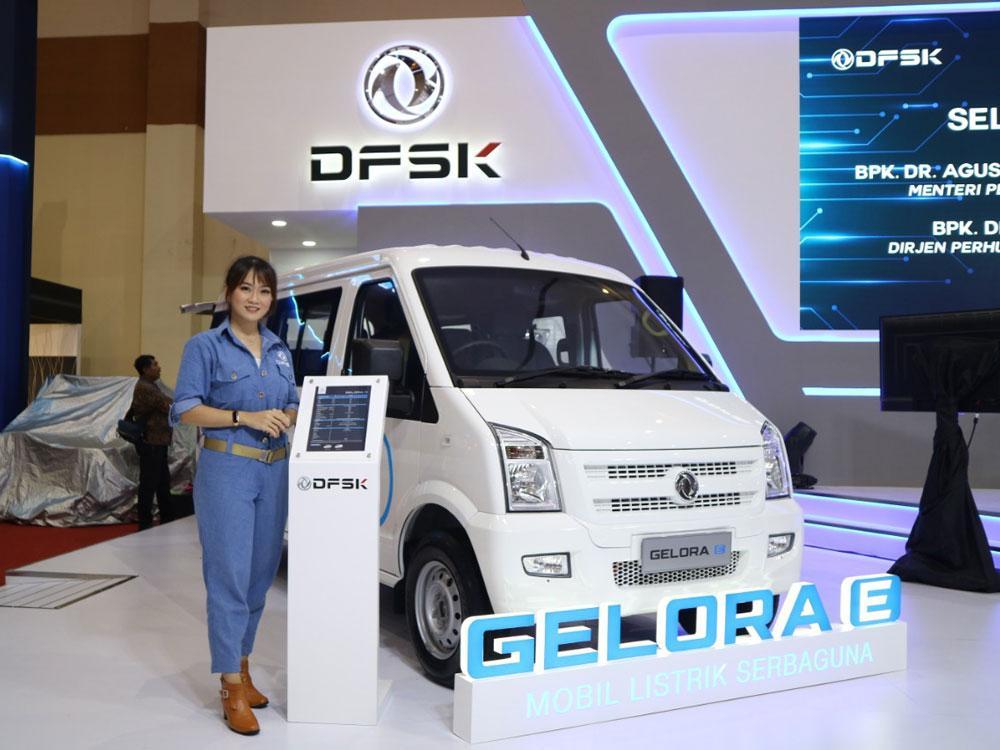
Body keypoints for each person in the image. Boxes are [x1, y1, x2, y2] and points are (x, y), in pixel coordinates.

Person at [169, 256, 298, 736]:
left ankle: (242, 667)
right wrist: (244, 418)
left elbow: (292, 401)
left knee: (260, 577)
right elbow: (185, 409)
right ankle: (228, 684)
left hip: (275, 470)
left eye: (264, 291)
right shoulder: (204, 346)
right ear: (229, 293)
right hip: (227, 469)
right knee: (229, 576)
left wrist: (287, 415)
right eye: (246, 288)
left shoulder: (279, 349)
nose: (254, 298)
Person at [129, 354, 176, 531]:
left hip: (158, 441)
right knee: (149, 483)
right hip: (152, 443)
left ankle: (167, 517)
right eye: (155, 365)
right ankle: (145, 522)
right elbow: (168, 406)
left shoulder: (151, 386)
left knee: (162, 482)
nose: (159, 367)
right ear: (145, 369)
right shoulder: (145, 388)